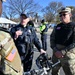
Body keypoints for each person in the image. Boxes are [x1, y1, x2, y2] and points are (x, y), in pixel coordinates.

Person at [50, 7, 75, 75]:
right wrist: (55, 50)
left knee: (70, 73)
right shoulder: (58, 26)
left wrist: (62, 52)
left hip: (68, 56)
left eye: (64, 14)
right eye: (61, 15)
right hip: (56, 54)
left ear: (70, 15)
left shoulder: (73, 26)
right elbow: (52, 38)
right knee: (54, 72)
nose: (62, 16)